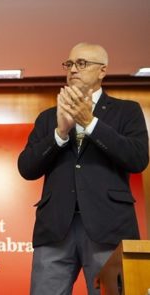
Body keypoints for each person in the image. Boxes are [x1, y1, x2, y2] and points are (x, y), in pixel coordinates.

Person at [18, 42, 149, 294]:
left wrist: (90, 123)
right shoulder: (48, 117)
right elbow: (26, 167)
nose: (73, 70)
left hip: (108, 227)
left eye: (82, 63)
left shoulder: (126, 111)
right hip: (55, 229)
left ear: (102, 71)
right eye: (69, 64)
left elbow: (137, 159)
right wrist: (60, 133)